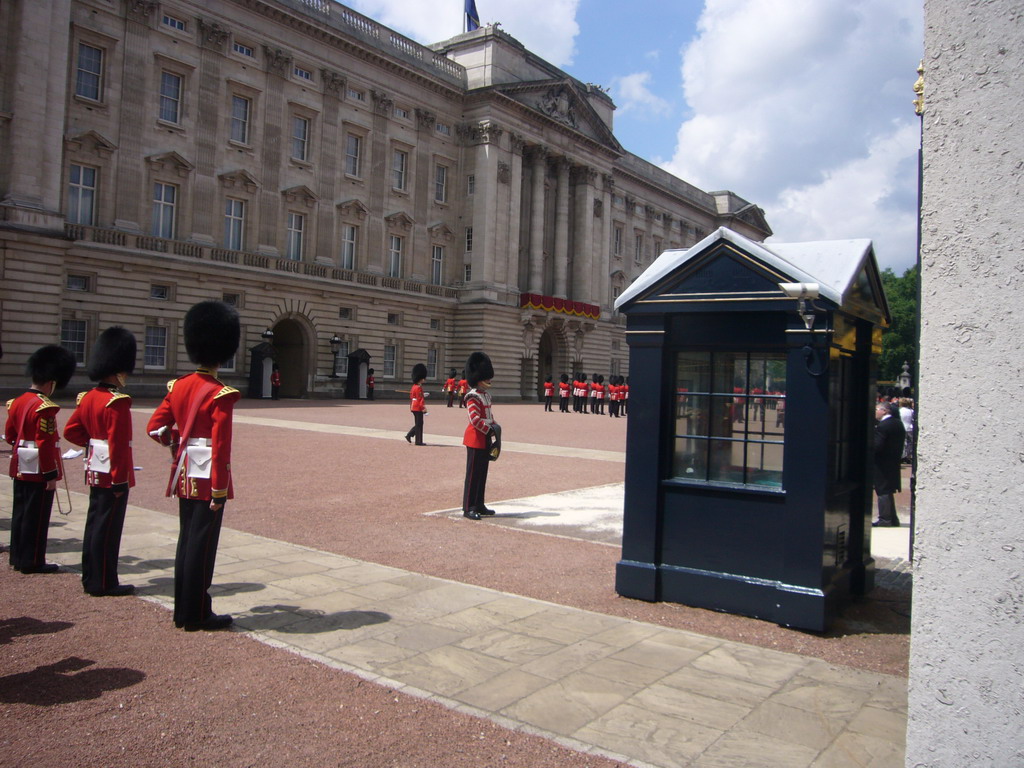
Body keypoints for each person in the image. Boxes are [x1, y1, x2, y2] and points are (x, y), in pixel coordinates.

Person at [147, 300, 240, 631]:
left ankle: (182, 610)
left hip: (184, 471)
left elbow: (154, 428)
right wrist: (219, 490)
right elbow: (221, 447)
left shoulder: (178, 387)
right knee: (202, 545)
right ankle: (197, 612)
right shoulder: (220, 393)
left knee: (187, 539)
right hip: (207, 476)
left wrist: (176, 446)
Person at [64, 327, 137, 597]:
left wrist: (92, 445)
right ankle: (105, 582)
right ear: (117, 370)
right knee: (108, 528)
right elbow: (118, 445)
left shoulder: (88, 398)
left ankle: (90, 577)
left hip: (95, 467)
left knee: (94, 522)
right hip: (112, 473)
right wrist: (120, 478)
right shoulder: (116, 402)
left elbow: (71, 431)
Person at [5, 345, 76, 574]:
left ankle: (17, 556)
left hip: (20, 464)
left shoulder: (16, 402)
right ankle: (33, 560)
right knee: (36, 517)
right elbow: (45, 444)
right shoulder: (45, 407)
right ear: (51, 381)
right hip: (37, 468)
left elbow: (10, 436)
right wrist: (50, 474)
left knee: (21, 512)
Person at [462, 352, 499, 521]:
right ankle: (468, 507)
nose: (489, 380)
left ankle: (479, 504)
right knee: (473, 475)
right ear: (478, 377)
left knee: (482, 473)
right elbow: (474, 419)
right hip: (476, 438)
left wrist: (495, 426)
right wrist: (488, 429)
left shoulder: (485, 395)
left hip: (485, 437)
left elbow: (488, 416)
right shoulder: (472, 396)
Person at [873, 401, 906, 527]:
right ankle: (892, 518)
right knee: (888, 490)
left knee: (882, 491)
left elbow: (877, 445)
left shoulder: (883, 426)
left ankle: (885, 519)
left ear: (884, 411)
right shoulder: (897, 423)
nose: (875, 412)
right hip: (893, 461)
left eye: (877, 409)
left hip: (882, 463)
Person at [404, 363, 428, 446]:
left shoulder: (414, 386)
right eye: (423, 378)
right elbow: (420, 399)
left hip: (413, 406)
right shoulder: (418, 387)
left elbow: (412, 396)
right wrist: (423, 409)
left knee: (418, 423)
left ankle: (411, 436)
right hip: (418, 407)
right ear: (420, 378)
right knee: (419, 424)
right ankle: (416, 439)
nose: (424, 380)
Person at [899, 397, 915, 463]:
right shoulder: (911, 411)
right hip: (910, 427)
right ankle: (908, 455)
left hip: (902, 427)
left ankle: (903, 456)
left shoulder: (899, 410)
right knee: (910, 443)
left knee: (903, 442)